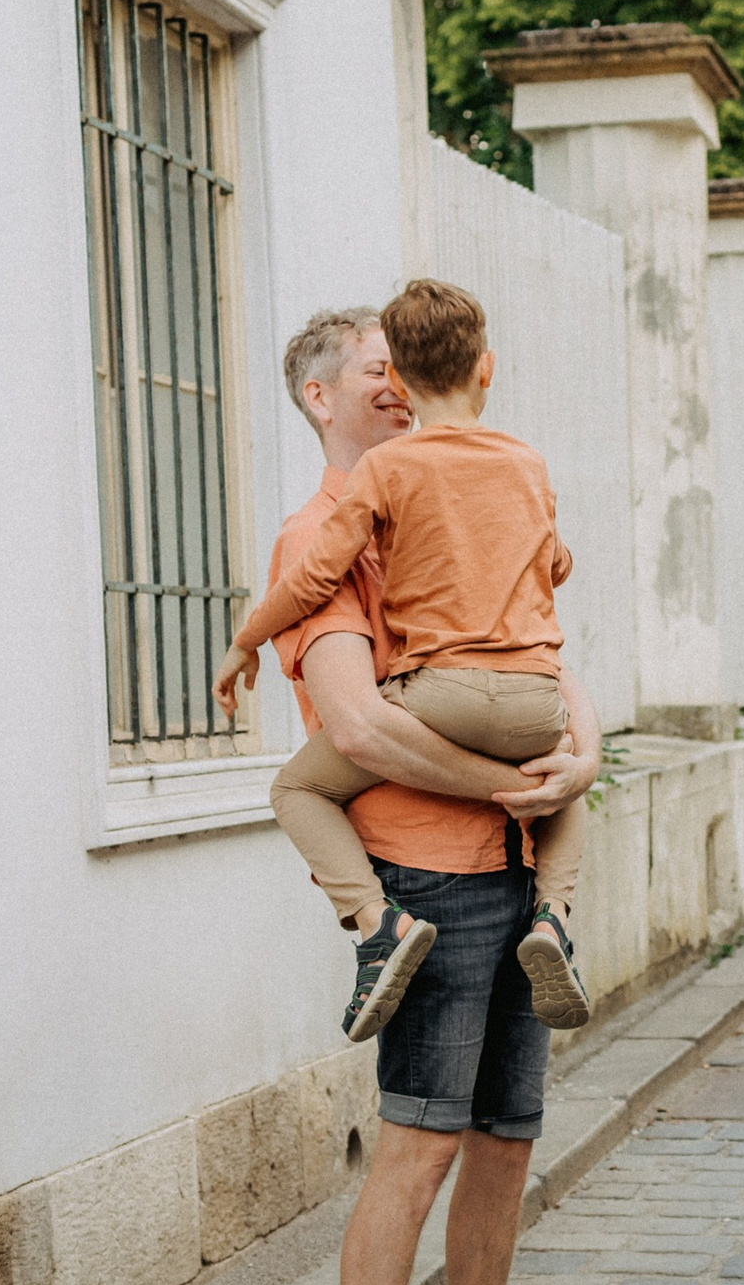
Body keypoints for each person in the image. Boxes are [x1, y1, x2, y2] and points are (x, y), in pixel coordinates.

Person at [249, 307, 601, 1285]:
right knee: (417, 1149)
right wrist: (512, 778)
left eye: (402, 370)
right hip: (429, 882)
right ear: (320, 399)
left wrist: (580, 764)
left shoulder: (456, 498)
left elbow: (548, 663)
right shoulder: (328, 540)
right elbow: (362, 728)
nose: (395, 386)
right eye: (370, 372)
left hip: (516, 868)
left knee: (505, 1141)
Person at [217, 279, 593, 1041]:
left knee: (296, 788)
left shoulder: (388, 476)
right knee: (557, 763)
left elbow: (315, 579)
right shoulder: (526, 462)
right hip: (524, 712)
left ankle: (374, 923)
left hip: (446, 700)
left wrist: (246, 638)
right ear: (487, 369)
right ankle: (556, 920)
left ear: (403, 381)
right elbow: (555, 567)